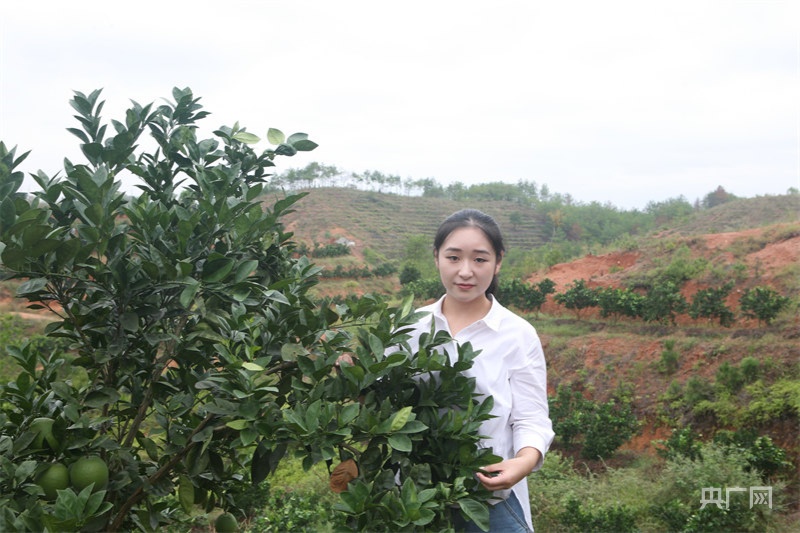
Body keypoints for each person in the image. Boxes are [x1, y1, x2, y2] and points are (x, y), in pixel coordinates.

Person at [409, 208, 554, 532]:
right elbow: (381, 396)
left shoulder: (517, 334)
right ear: (436, 258)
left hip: (488, 498)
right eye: (453, 257)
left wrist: (523, 462)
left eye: (479, 259)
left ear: (498, 261)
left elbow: (531, 418)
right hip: (413, 496)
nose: (465, 271)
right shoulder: (410, 327)